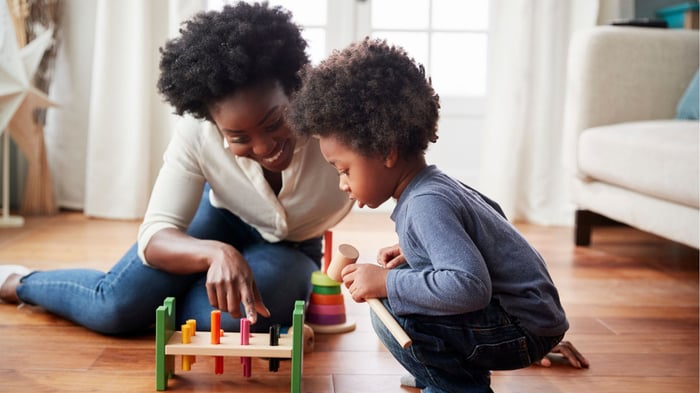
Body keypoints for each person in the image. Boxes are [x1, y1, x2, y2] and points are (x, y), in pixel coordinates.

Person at [0, 2, 352, 334]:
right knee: (114, 308)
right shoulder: (197, 133)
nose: (263, 148)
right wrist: (215, 253)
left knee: (224, 322)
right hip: (221, 218)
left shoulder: (339, 122)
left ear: (295, 90)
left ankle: (156, 300)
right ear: (212, 122)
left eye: (275, 122)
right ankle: (19, 283)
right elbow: (155, 235)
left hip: (291, 246)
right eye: (238, 136)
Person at [286, 37, 588, 392]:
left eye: (343, 169)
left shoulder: (426, 203)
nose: (342, 184)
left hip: (520, 328)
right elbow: (491, 224)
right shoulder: (435, 185)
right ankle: (443, 372)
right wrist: (416, 251)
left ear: (385, 151)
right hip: (533, 319)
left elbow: (470, 288)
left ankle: (454, 385)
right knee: (408, 286)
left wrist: (386, 282)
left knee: (391, 310)